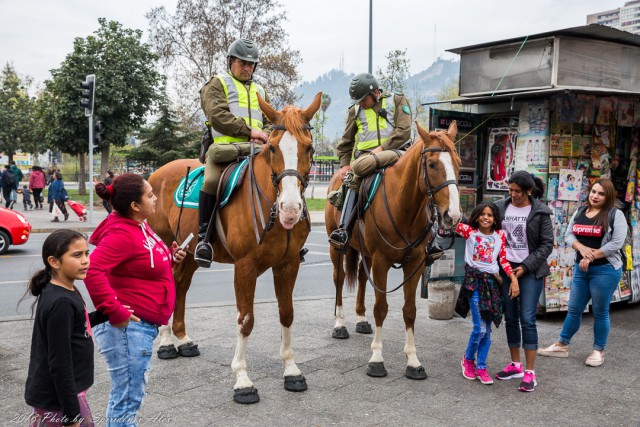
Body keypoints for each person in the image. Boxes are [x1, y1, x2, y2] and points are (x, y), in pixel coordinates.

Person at [84, 173, 187, 426]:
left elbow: (141, 260)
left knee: (129, 397)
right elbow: (92, 270)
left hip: (138, 327)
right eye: (150, 195)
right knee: (127, 399)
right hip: (127, 329)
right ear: (135, 205)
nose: (155, 199)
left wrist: (169, 258)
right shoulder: (122, 232)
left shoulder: (139, 223)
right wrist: (114, 310)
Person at [194, 38, 272, 267]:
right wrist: (250, 132)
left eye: (251, 64)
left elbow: (269, 120)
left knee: (282, 177)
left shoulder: (260, 90)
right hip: (225, 151)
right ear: (230, 61)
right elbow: (217, 116)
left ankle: (288, 239)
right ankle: (204, 240)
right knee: (211, 180)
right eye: (242, 63)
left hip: (256, 150)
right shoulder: (217, 84)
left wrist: (265, 134)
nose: (247, 68)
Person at [23, 229, 108, 427]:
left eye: (87, 253)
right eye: (77, 255)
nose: (86, 260)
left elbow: (76, 326)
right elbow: (60, 362)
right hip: (58, 400)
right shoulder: (61, 302)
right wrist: (71, 416)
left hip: (61, 395)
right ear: (54, 262)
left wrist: (105, 314)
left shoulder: (61, 290)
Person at [538, 179, 627, 367]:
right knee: (574, 309)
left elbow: (616, 243)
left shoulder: (615, 214)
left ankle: (598, 350)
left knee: (600, 311)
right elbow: (569, 235)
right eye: (593, 191)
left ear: (608, 196)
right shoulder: (580, 211)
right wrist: (582, 250)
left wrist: (592, 256)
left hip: (606, 269)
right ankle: (562, 345)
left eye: (601, 194)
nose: (595, 196)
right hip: (581, 268)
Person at [328, 73, 412, 251]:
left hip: (398, 153)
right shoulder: (354, 111)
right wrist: (344, 165)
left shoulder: (397, 100)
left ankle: (432, 236)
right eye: (357, 100)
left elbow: (404, 131)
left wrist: (382, 149)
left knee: (423, 178)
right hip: (366, 159)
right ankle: (344, 230)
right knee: (352, 179)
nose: (360, 103)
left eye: (363, 99)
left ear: (375, 92)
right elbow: (346, 143)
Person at [493, 171, 553, 392]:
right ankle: (515, 365)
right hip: (507, 271)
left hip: (530, 272)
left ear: (529, 191)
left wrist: (525, 266)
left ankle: (530, 372)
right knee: (510, 317)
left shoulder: (540, 212)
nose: (513, 194)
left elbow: (547, 245)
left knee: (527, 318)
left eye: (517, 191)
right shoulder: (500, 207)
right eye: (510, 190)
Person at [455, 202, 519, 385]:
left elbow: (504, 260)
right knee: (480, 328)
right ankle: (468, 359)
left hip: (492, 285)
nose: (485, 218)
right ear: (476, 216)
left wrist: (513, 279)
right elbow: (452, 220)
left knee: (488, 331)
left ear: (495, 219)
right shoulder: (469, 232)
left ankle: (481, 367)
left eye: (490, 215)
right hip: (474, 283)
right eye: (482, 214)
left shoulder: (500, 235)